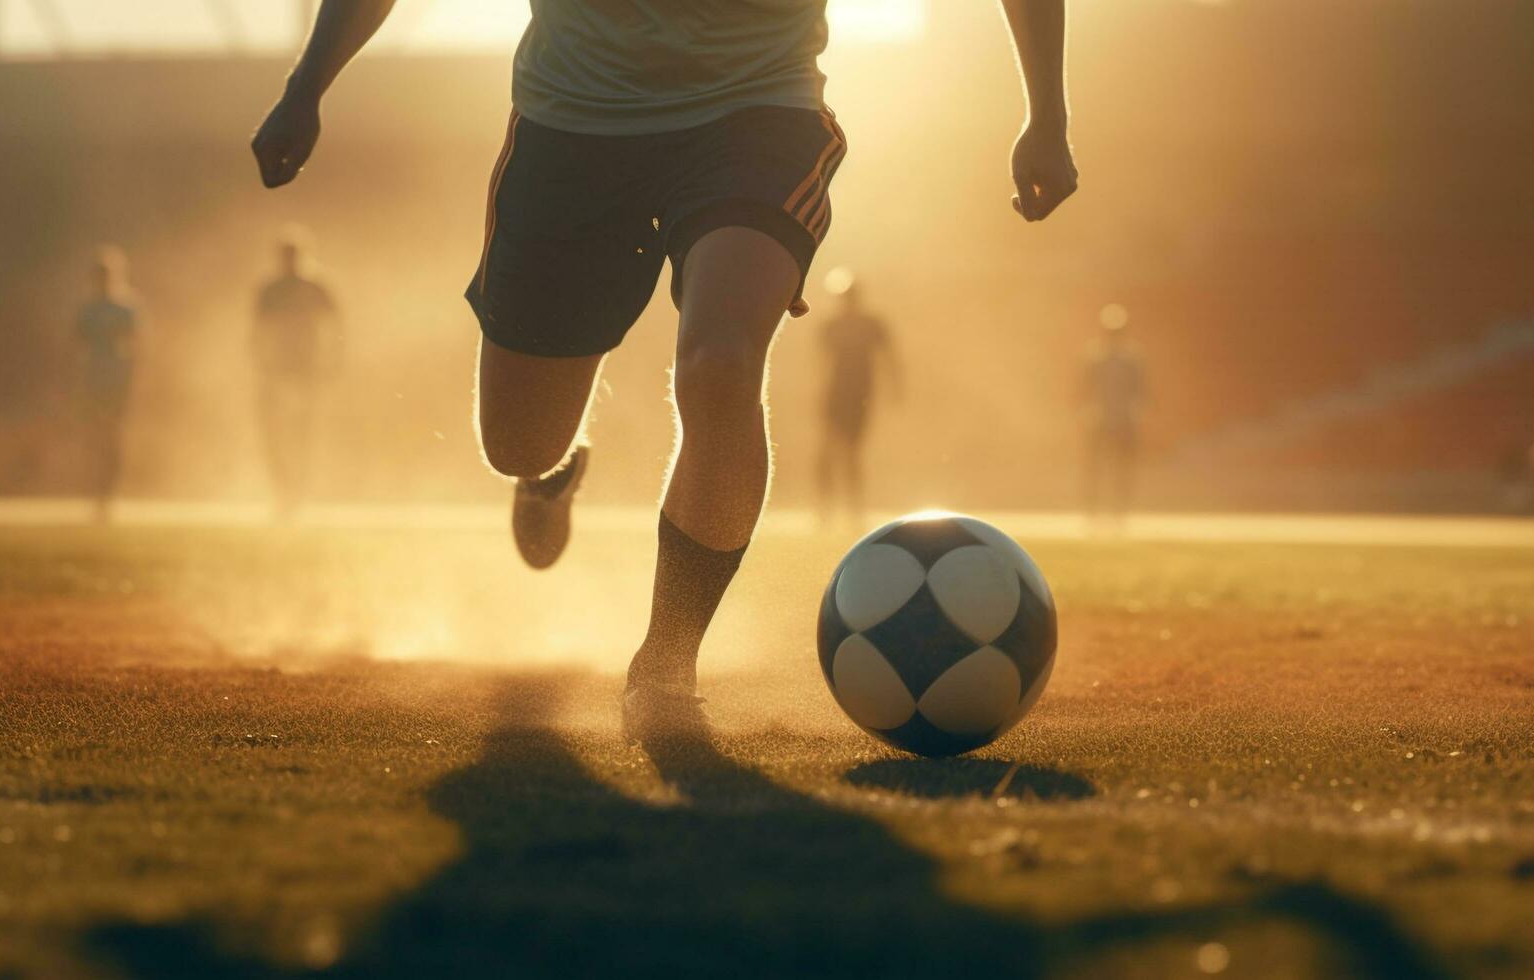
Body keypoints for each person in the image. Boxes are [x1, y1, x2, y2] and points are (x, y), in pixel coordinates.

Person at [250, 0, 1079, 734]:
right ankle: (551, 471)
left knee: (720, 364)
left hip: (757, 120)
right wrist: (306, 87)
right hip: (570, 133)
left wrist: (1046, 113)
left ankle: (666, 662)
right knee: (517, 445)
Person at [252, 230, 341, 521]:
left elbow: (336, 325)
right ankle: (282, 488)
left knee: (303, 432)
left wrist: (333, 360)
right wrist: (261, 364)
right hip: (277, 368)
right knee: (276, 432)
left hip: (307, 368)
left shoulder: (315, 287)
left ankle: (298, 491)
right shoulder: (271, 290)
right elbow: (258, 330)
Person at [814, 269, 901, 527]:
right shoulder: (831, 326)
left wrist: (895, 388)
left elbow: (890, 359)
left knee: (851, 452)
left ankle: (854, 509)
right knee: (827, 452)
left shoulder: (871, 324)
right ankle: (825, 508)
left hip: (859, 395)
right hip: (835, 394)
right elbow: (821, 364)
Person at [75, 246, 140, 523]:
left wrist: (131, 377)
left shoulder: (125, 307)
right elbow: (77, 344)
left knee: (112, 436)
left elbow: (136, 345)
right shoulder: (88, 309)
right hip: (93, 378)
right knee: (95, 437)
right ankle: (97, 493)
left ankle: (109, 494)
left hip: (116, 379)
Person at [1080, 304, 1146, 526]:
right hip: (1099, 419)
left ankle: (1119, 513)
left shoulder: (1131, 359)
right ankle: (1093, 512)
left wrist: (1135, 413)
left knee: (1121, 469)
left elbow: (1141, 390)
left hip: (1124, 419)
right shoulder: (1095, 358)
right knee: (1095, 469)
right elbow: (1083, 389)